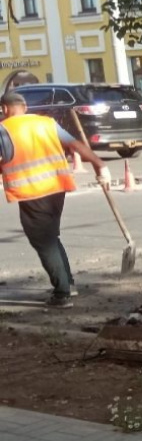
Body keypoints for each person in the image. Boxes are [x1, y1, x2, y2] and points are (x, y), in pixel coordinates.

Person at [0, 92, 106, 309]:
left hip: (32, 191)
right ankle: (69, 284)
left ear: (4, 109)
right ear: (25, 106)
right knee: (51, 236)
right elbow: (75, 145)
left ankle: (62, 293)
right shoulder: (47, 123)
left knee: (43, 241)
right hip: (58, 188)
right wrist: (99, 164)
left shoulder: (4, 129)